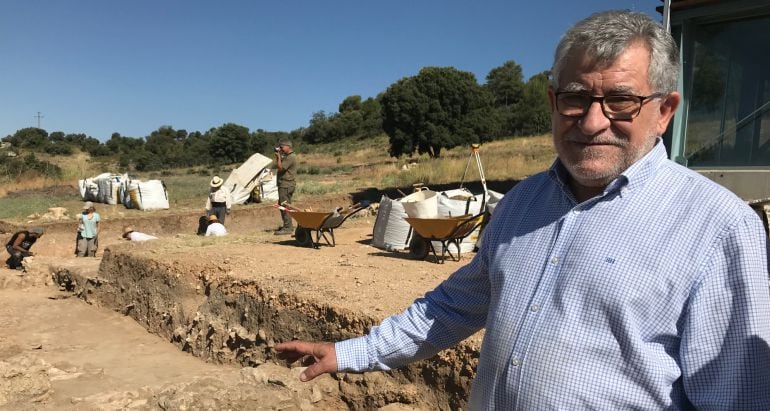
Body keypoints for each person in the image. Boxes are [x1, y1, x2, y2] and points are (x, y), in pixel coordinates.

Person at [276, 11, 770, 409]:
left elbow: (735, 397)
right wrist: (351, 352)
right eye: (575, 98)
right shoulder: (522, 203)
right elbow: (452, 308)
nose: (593, 120)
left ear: (664, 111)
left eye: (621, 100)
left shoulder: (718, 228)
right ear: (554, 101)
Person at [273, 140, 297, 235]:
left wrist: (278, 157)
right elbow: (278, 165)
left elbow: (280, 168)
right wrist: (279, 156)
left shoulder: (291, 157)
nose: (280, 149)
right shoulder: (287, 157)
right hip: (285, 184)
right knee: (284, 205)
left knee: (284, 206)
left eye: (282, 147)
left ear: (288, 146)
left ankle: (288, 227)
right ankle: (287, 225)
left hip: (286, 185)